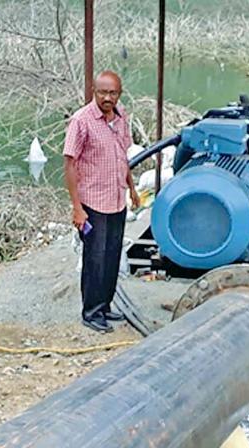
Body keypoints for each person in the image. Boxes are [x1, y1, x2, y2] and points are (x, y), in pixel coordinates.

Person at [63, 70, 140, 333]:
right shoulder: (81, 121)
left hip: (117, 198)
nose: (107, 98)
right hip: (92, 202)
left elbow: (122, 155)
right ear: (94, 91)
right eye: (102, 92)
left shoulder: (121, 117)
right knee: (94, 258)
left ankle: (105, 305)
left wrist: (132, 189)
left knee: (111, 255)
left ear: (120, 93)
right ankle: (91, 312)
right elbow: (70, 165)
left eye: (113, 93)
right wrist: (77, 208)